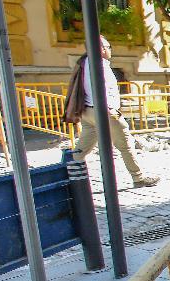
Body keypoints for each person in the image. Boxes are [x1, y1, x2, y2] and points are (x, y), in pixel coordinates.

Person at [63, 37, 159, 187]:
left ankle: (66, 173)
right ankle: (138, 178)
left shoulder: (84, 62)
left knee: (83, 147)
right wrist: (111, 109)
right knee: (125, 143)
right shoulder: (98, 65)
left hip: (87, 110)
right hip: (103, 111)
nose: (110, 50)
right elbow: (102, 89)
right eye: (108, 47)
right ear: (101, 48)